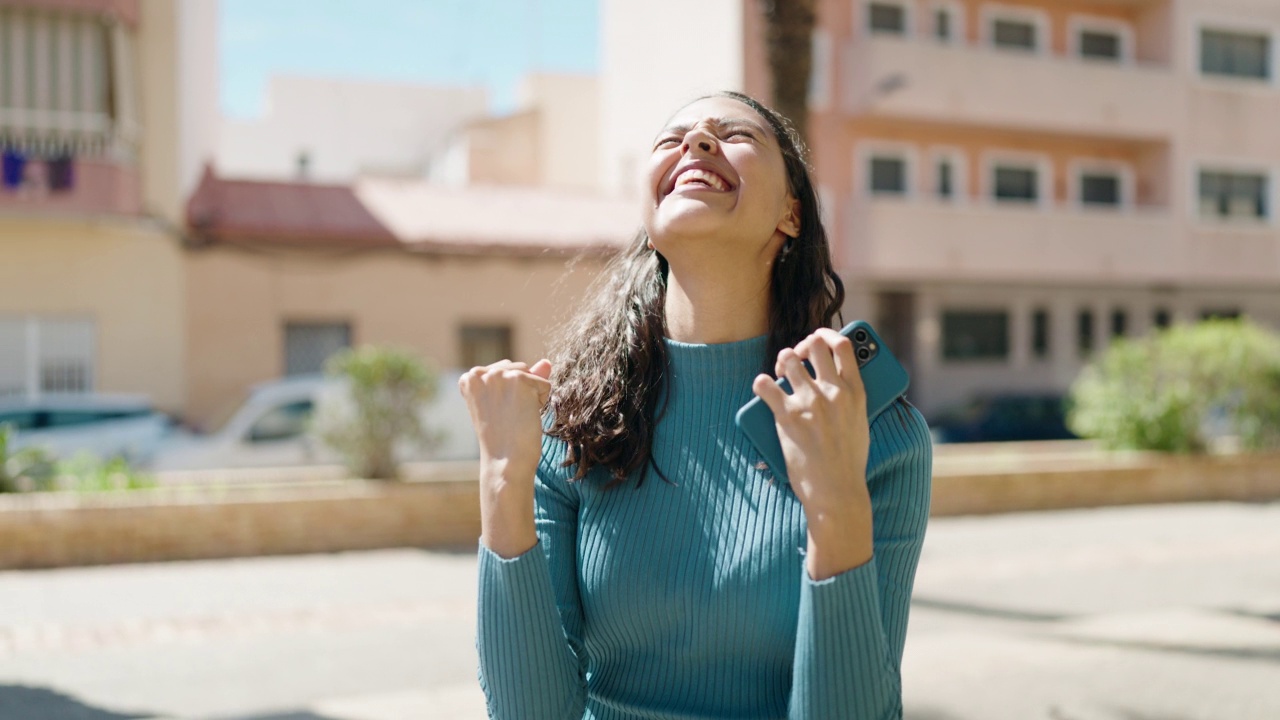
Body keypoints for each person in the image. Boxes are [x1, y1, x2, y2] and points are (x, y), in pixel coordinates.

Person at [459, 91, 933, 720]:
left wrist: (837, 498)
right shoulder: (569, 425)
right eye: (672, 139)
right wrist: (501, 482)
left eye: (734, 134)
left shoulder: (873, 430)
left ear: (791, 213)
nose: (697, 142)